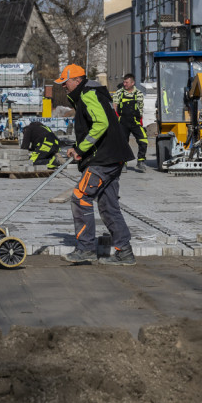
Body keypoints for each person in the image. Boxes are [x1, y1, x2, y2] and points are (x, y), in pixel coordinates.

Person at [55, 64, 136, 266]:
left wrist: (81, 149)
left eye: (65, 82)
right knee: (108, 205)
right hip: (113, 156)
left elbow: (101, 123)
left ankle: (85, 249)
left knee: (80, 197)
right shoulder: (93, 93)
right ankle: (125, 253)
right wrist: (77, 148)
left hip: (103, 159)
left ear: (77, 80)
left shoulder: (88, 94)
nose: (63, 86)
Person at [113, 73, 149, 173]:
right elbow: (115, 106)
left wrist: (140, 120)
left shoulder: (139, 93)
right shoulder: (119, 93)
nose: (124, 84)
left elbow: (140, 108)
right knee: (123, 142)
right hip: (123, 122)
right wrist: (116, 120)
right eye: (124, 82)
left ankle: (141, 161)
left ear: (132, 83)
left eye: (127, 82)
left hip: (135, 121)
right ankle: (123, 163)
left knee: (143, 140)